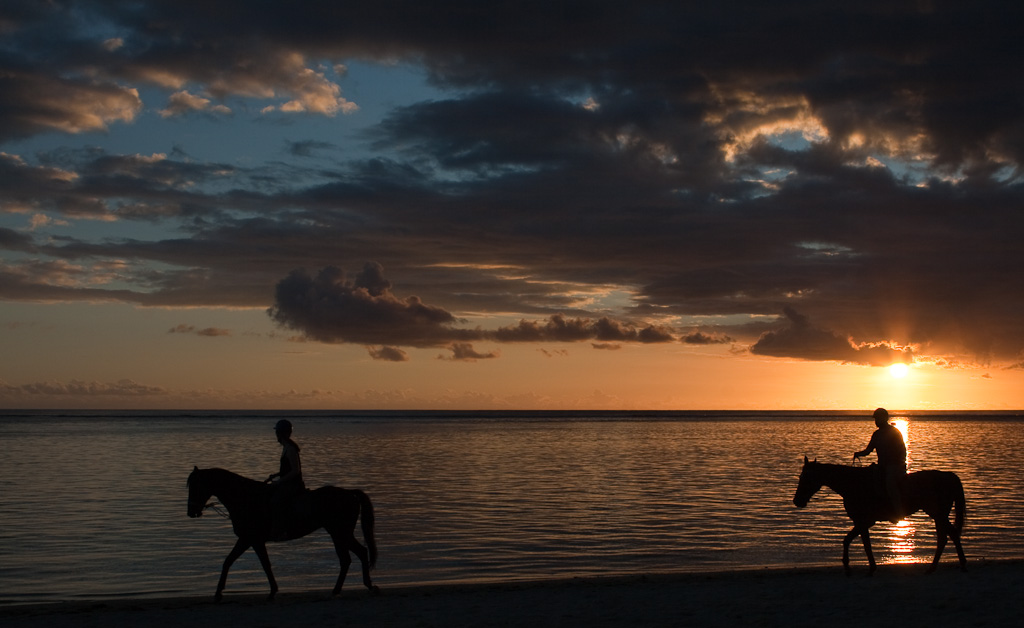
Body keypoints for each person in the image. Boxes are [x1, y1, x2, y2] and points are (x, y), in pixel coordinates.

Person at [853, 407, 907, 521]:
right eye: (875, 419)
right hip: (883, 466)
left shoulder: (894, 432)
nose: (876, 421)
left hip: (895, 466)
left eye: (877, 419)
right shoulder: (876, 434)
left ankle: (899, 512)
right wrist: (858, 454)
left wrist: (897, 463)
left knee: (890, 484)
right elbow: (868, 450)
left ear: (884, 419)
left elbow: (902, 450)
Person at [266, 419, 304, 540]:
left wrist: (279, 481)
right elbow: (287, 469)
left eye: (277, 432)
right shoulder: (286, 447)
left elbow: (295, 471)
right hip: (287, 483)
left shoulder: (291, 449)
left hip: (293, 485)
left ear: (280, 433)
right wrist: (276, 475)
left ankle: (281, 530)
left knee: (276, 502)